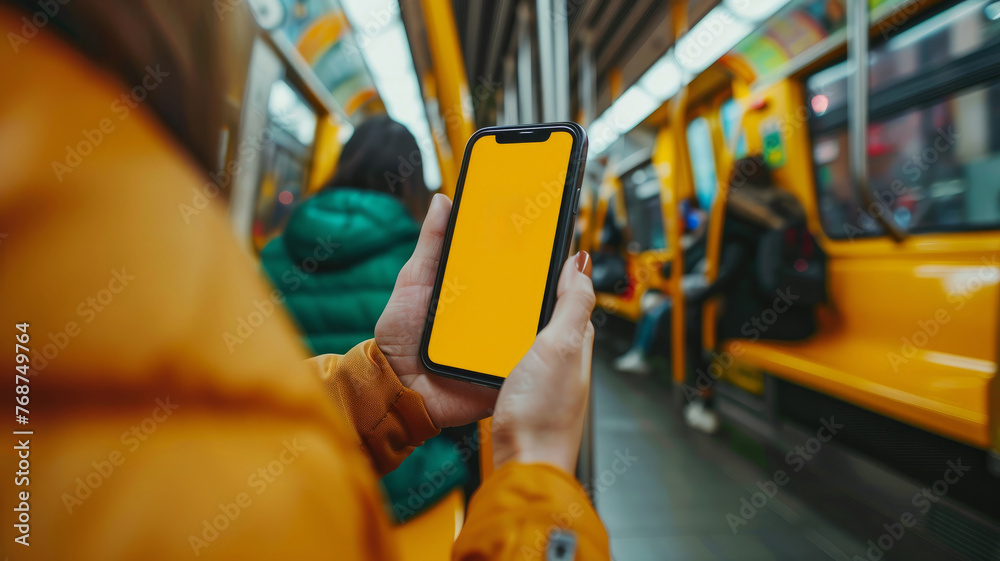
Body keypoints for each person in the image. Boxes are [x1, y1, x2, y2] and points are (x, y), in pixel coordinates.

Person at [0, 2, 608, 559]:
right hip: (414, 494)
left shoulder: (255, 251)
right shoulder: (416, 255)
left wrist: (381, 384)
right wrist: (536, 466)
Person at [260, 115, 463, 522]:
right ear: (412, 182)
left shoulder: (273, 252)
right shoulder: (427, 264)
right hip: (405, 481)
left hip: (290, 466)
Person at [682, 155, 807, 434]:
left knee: (698, 323)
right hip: (798, 314)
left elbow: (732, 266)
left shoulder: (733, 210)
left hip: (753, 310)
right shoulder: (788, 205)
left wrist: (699, 295)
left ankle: (705, 400)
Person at [614, 202, 708, 375]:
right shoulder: (686, 243)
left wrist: (677, 289)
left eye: (698, 220)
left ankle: (643, 353)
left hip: (691, 297)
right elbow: (668, 271)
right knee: (650, 304)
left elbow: (702, 280)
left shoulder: (708, 249)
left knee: (658, 309)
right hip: (676, 293)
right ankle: (639, 352)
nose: (694, 223)